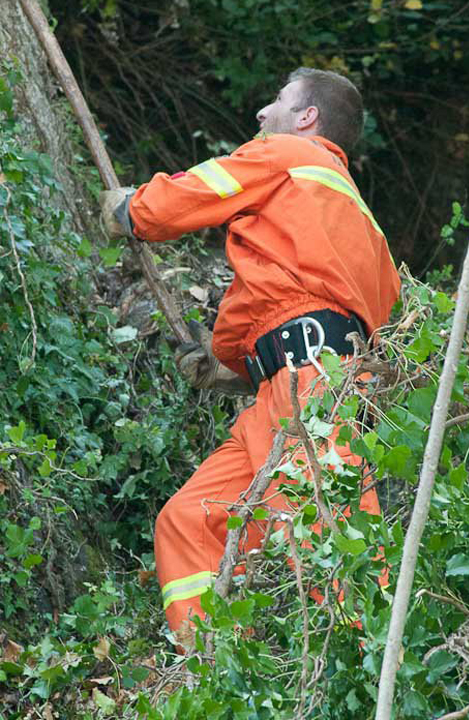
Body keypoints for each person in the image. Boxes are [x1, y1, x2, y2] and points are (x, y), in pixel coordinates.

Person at [100, 67, 401, 650]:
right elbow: (341, 326)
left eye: (279, 100)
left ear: (307, 117)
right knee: (190, 522)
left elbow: (195, 192)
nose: (263, 113)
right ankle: (217, 672)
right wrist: (236, 369)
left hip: (305, 389)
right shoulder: (359, 228)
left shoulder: (289, 154)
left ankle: (365, 676)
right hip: (296, 391)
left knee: (328, 535)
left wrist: (133, 209)